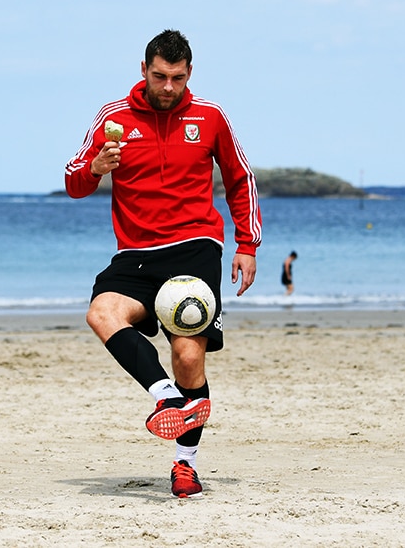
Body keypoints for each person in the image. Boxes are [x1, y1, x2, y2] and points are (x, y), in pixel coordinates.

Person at [64, 30, 261, 498]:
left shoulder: (210, 117)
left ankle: (185, 463)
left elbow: (240, 178)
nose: (168, 86)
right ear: (143, 71)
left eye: (176, 77)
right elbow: (73, 181)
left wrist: (247, 244)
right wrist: (97, 169)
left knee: (189, 354)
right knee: (101, 313)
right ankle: (165, 396)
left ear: (189, 73)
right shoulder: (113, 118)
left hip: (195, 247)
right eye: (159, 76)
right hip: (134, 254)